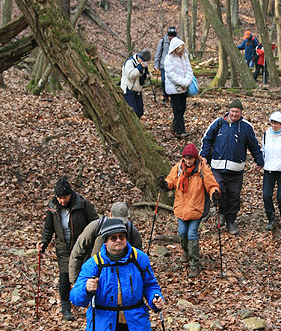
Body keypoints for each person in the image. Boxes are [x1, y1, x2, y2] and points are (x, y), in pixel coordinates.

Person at [200, 98, 264, 235]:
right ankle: (221, 212)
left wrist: (259, 161)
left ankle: (231, 220)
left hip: (236, 169)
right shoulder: (218, 123)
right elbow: (207, 139)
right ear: (229, 111)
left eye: (237, 112)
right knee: (218, 191)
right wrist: (204, 155)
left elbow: (254, 145)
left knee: (234, 195)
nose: (235, 114)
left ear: (241, 112)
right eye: (233, 111)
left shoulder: (246, 127)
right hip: (217, 166)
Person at [37, 177, 98, 321]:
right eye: (59, 198)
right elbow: (48, 228)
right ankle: (66, 308)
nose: (62, 201)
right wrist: (43, 243)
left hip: (82, 246)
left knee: (84, 275)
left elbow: (95, 223)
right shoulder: (53, 208)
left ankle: (88, 303)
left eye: (64, 197)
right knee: (64, 277)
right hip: (63, 248)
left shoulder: (82, 204)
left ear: (70, 194)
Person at [156, 143, 220, 278]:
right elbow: (171, 181)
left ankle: (195, 264)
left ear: (195, 158)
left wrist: (215, 193)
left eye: (190, 158)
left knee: (192, 234)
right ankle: (186, 251)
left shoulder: (202, 169)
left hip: (196, 209)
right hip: (181, 208)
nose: (188, 160)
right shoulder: (178, 168)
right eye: (186, 158)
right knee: (182, 232)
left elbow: (212, 185)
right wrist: (164, 184)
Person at [68, 201, 143, 285]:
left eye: (123, 221)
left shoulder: (131, 230)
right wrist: (75, 281)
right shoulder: (95, 227)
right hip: (97, 274)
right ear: (110, 215)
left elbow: (139, 258)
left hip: (123, 277)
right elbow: (77, 252)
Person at [164, 36, 193, 139]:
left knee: (183, 108)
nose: (180, 52)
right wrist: (182, 82)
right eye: (179, 51)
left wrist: (187, 81)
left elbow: (189, 70)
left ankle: (175, 127)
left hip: (183, 88)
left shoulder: (184, 57)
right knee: (177, 110)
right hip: (174, 89)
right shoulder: (169, 59)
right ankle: (180, 131)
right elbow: (171, 74)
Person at [120, 49, 152, 119]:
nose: (144, 63)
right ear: (139, 57)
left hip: (137, 90)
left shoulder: (143, 64)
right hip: (128, 89)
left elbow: (142, 77)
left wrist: (147, 76)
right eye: (143, 61)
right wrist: (140, 68)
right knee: (133, 112)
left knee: (140, 111)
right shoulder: (129, 62)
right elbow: (131, 75)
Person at [154, 27, 177, 103]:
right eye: (171, 36)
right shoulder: (163, 41)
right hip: (163, 65)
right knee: (164, 81)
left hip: (174, 66)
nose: (171, 38)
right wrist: (156, 65)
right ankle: (165, 95)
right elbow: (158, 53)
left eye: (173, 36)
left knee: (173, 82)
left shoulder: (178, 42)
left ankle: (172, 98)